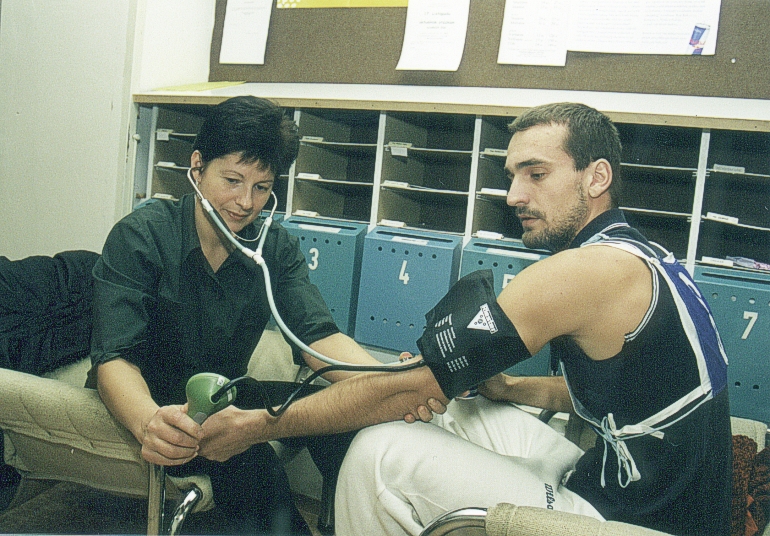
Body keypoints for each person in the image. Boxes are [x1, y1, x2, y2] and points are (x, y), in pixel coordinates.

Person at [231, 102, 733, 536]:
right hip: (617, 477)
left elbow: (407, 390)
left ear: (596, 177)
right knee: (458, 408)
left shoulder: (584, 272)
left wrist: (256, 426)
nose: (514, 196)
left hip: (634, 521)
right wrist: (507, 387)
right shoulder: (645, 255)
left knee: (379, 449)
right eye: (512, 176)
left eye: (536, 175)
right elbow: (624, 391)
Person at [88, 95, 423, 535]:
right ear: (197, 167)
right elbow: (115, 359)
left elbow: (317, 338)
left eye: (262, 187)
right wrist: (149, 420)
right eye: (232, 181)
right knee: (258, 473)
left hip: (226, 398)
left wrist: (393, 381)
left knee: (344, 419)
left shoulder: (275, 248)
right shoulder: (141, 236)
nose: (246, 202)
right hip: (159, 404)